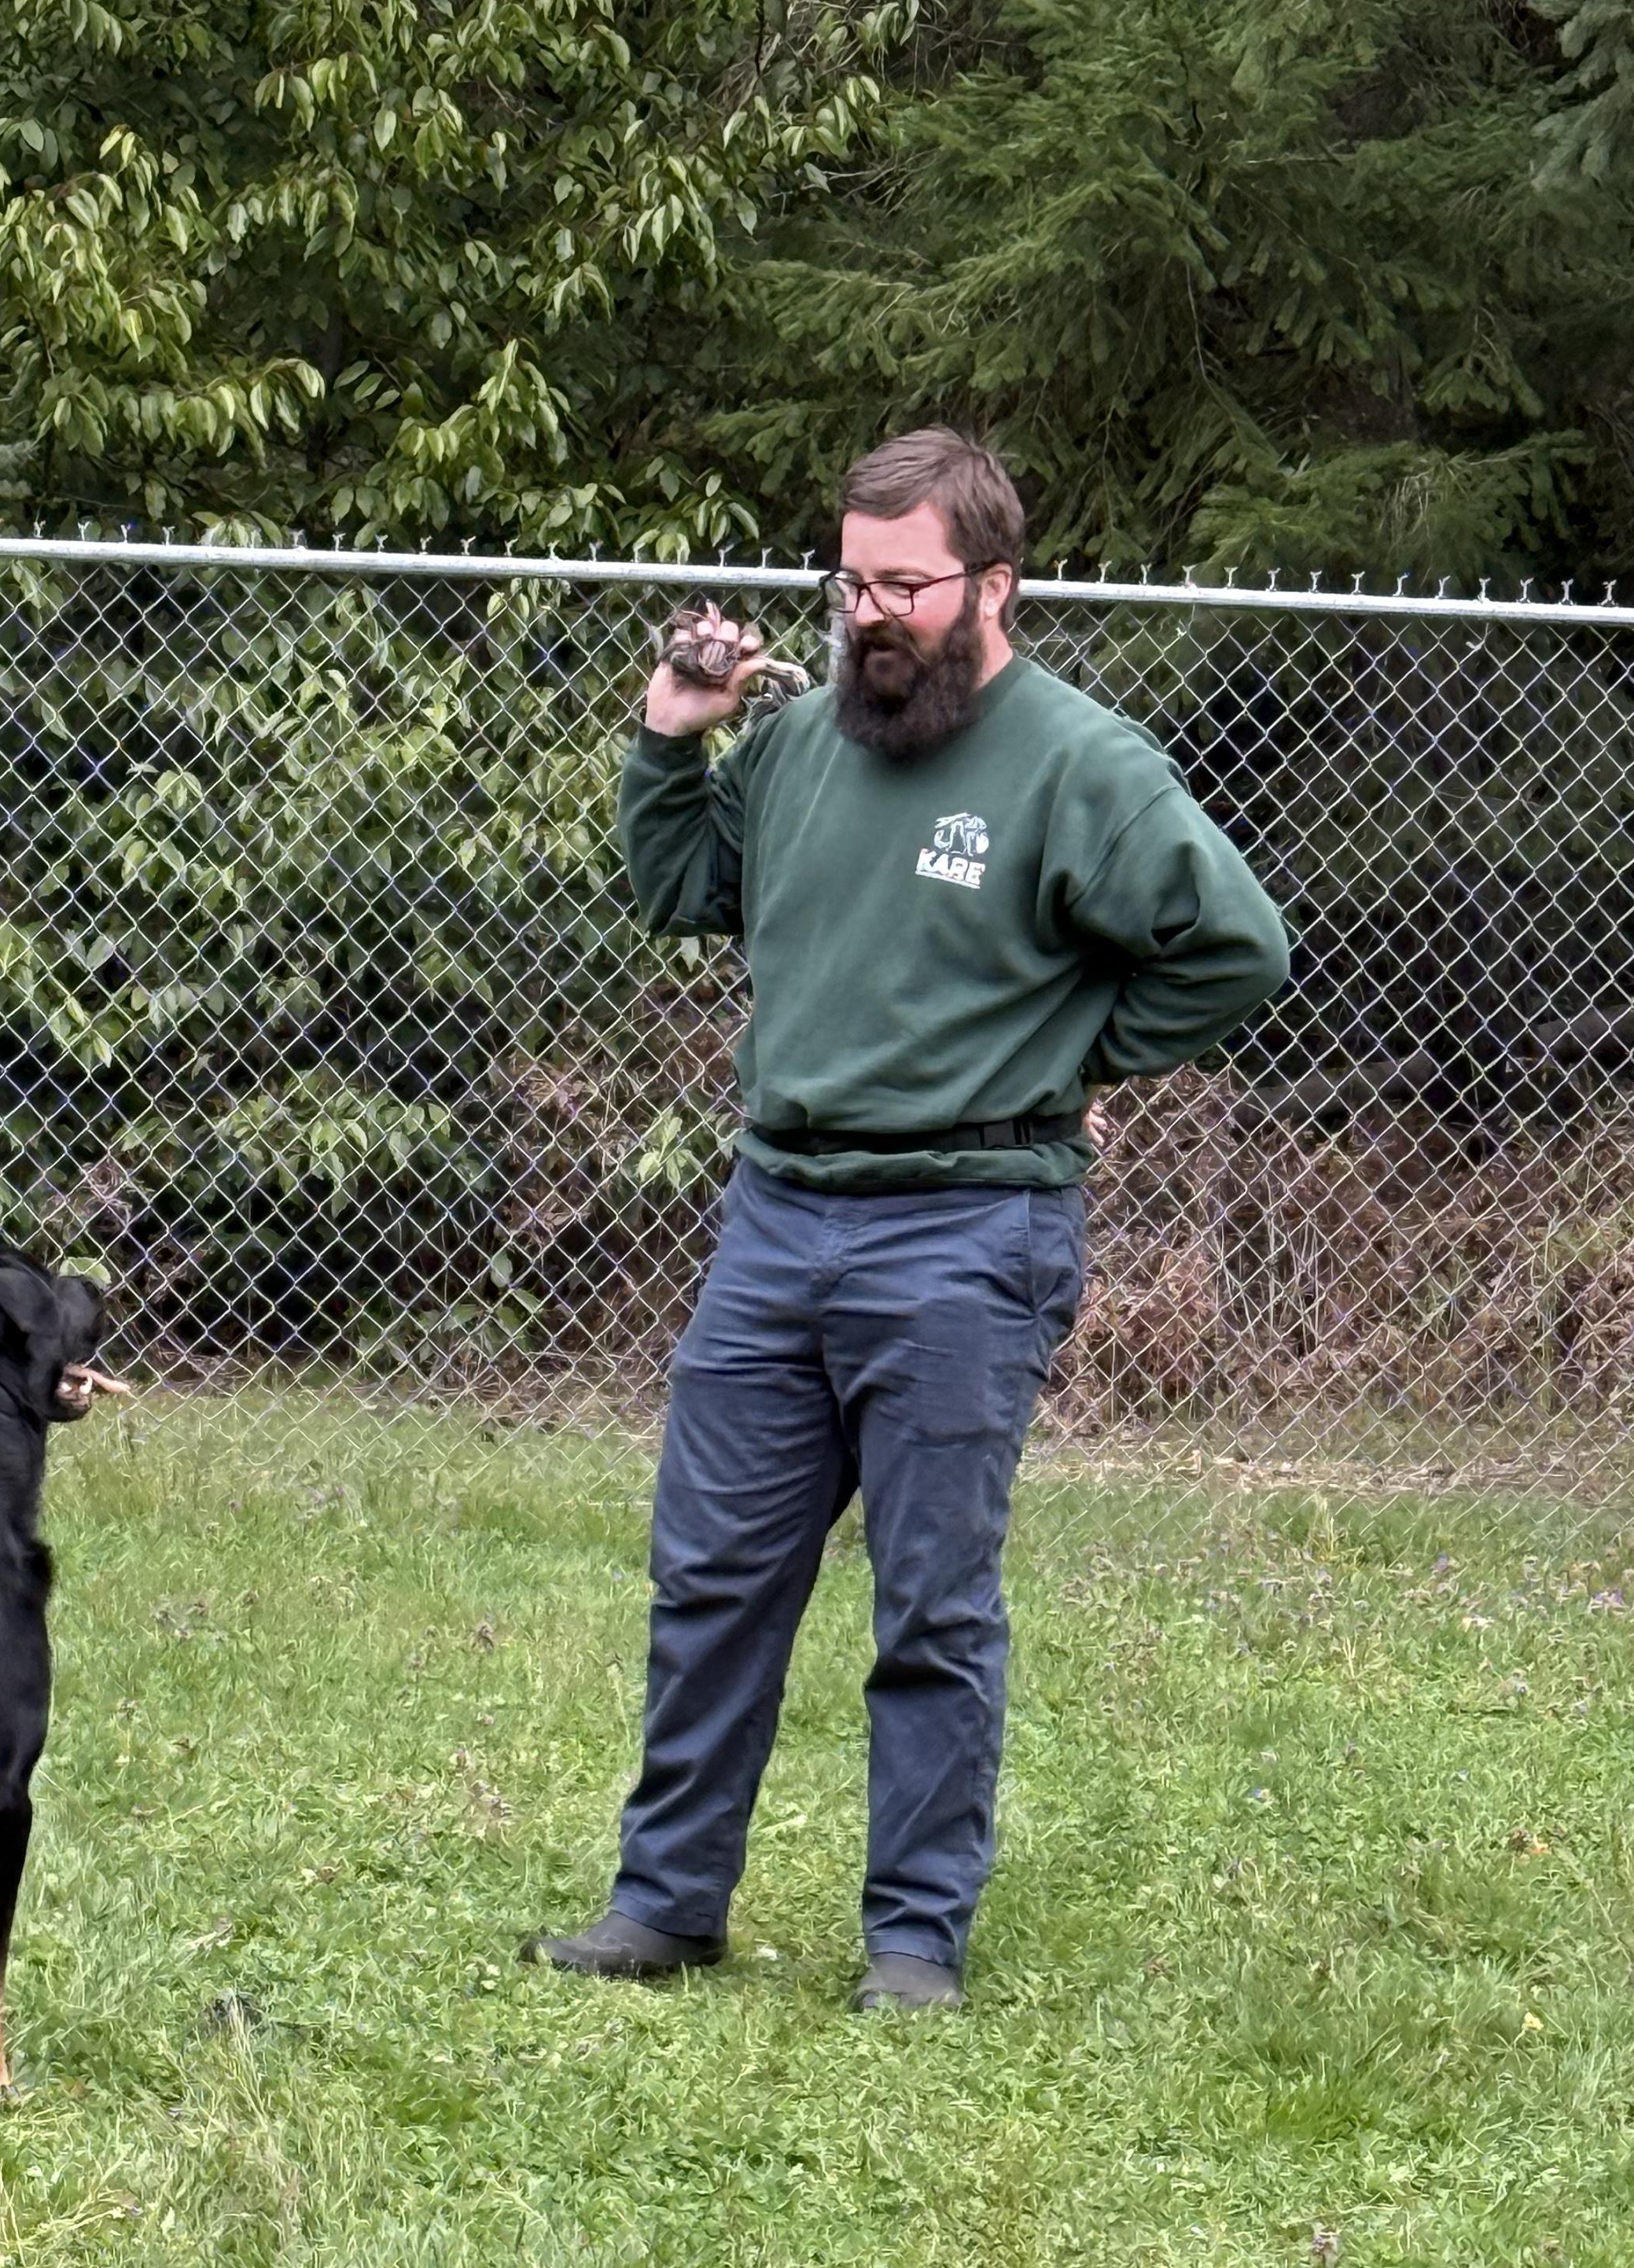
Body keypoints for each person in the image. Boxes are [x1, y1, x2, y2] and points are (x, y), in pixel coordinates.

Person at [530, 427, 1291, 2012]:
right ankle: (669, 1903)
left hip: (967, 1237)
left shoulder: (1079, 763)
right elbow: (688, 891)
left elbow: (1234, 948)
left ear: (992, 584)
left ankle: (912, 1944)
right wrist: (673, 740)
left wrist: (1081, 1053)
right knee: (716, 1576)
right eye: (851, 581)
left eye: (906, 586)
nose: (869, 614)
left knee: (931, 1599)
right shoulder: (802, 741)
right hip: (776, 1219)